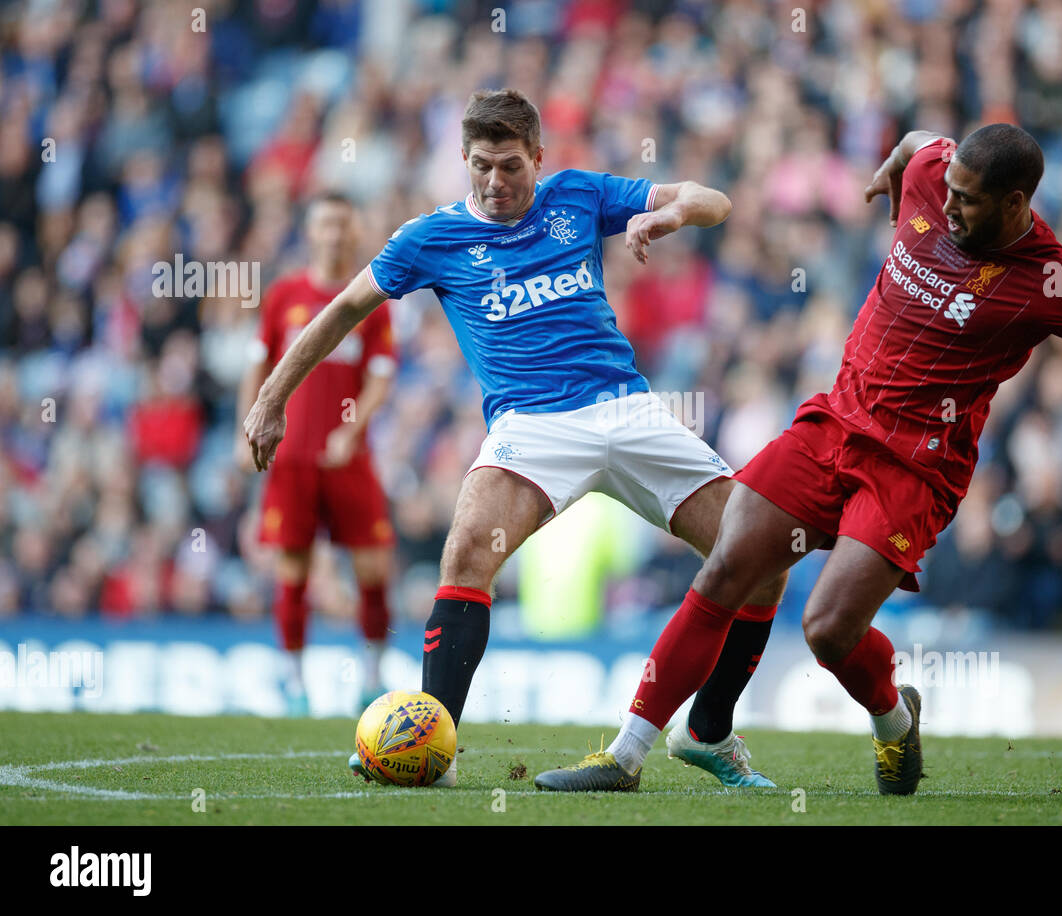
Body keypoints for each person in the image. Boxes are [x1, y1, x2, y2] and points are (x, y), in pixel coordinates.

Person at [535, 125, 1062, 794]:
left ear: (1015, 202)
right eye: (951, 188)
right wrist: (889, 170)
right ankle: (628, 754)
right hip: (832, 421)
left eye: (970, 199)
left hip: (915, 466)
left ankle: (896, 721)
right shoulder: (934, 169)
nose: (951, 204)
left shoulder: (1049, 276)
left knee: (829, 629)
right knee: (727, 564)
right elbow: (916, 144)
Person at [243, 89, 786, 788]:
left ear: (537, 158)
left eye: (509, 166)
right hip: (530, 427)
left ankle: (709, 730)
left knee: (764, 555)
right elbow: (344, 307)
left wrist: (676, 210)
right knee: (467, 550)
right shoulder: (430, 238)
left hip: (626, 410)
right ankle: (427, 745)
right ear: (463, 161)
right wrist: (271, 398)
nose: (495, 183)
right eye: (480, 166)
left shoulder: (580, 194)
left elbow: (714, 199)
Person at [237, 192, 397, 717]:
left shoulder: (369, 300)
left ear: (354, 233)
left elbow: (379, 376)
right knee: (293, 571)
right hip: (293, 459)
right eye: (324, 222)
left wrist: (353, 431)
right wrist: (249, 428)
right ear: (310, 231)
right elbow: (258, 369)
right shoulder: (284, 296)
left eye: (341, 224)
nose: (333, 233)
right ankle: (292, 681)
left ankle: (371, 676)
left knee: (373, 567)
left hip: (348, 459)